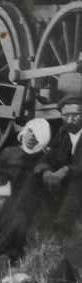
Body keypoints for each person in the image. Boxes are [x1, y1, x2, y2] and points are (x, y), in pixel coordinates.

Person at [38, 95, 82, 236]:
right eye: (66, 115)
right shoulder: (63, 132)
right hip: (69, 182)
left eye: (75, 115)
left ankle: (63, 225)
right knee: (37, 175)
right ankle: (28, 218)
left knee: (76, 182)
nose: (70, 120)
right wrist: (45, 170)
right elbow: (50, 155)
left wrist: (66, 170)